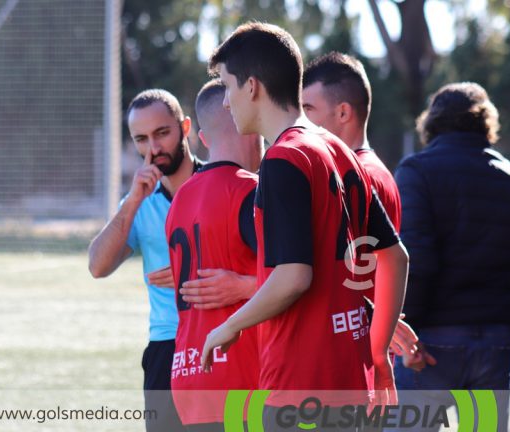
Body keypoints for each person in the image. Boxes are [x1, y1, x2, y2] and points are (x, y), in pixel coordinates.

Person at [199, 22, 408, 420]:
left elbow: (294, 277)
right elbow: (396, 257)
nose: (226, 102)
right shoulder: (338, 150)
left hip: (302, 389)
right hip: (354, 380)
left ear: (253, 87)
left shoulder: (283, 159)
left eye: (227, 86)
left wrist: (230, 325)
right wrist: (379, 354)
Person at [393, 82, 510, 432]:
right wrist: (504, 333)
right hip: (495, 342)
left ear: (430, 124)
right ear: (486, 123)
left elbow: (417, 262)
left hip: (429, 344)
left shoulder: (417, 172)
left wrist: (407, 334)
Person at [88, 89, 198, 432]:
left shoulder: (219, 184)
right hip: (165, 345)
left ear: (185, 127)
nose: (153, 148)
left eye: (162, 133)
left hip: (220, 339)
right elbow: (98, 266)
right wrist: (133, 201)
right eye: (141, 139)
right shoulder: (139, 202)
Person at [302, 51, 423, 361]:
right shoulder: (375, 170)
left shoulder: (356, 176)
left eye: (308, 108)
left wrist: (245, 285)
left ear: (343, 113)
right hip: (359, 344)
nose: (301, 120)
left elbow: (335, 278)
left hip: (347, 352)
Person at [165, 79, 263, 431]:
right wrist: (246, 286)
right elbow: (290, 280)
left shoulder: (179, 201)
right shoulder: (250, 190)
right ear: (247, 123)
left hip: (188, 374)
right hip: (241, 376)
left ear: (203, 139)